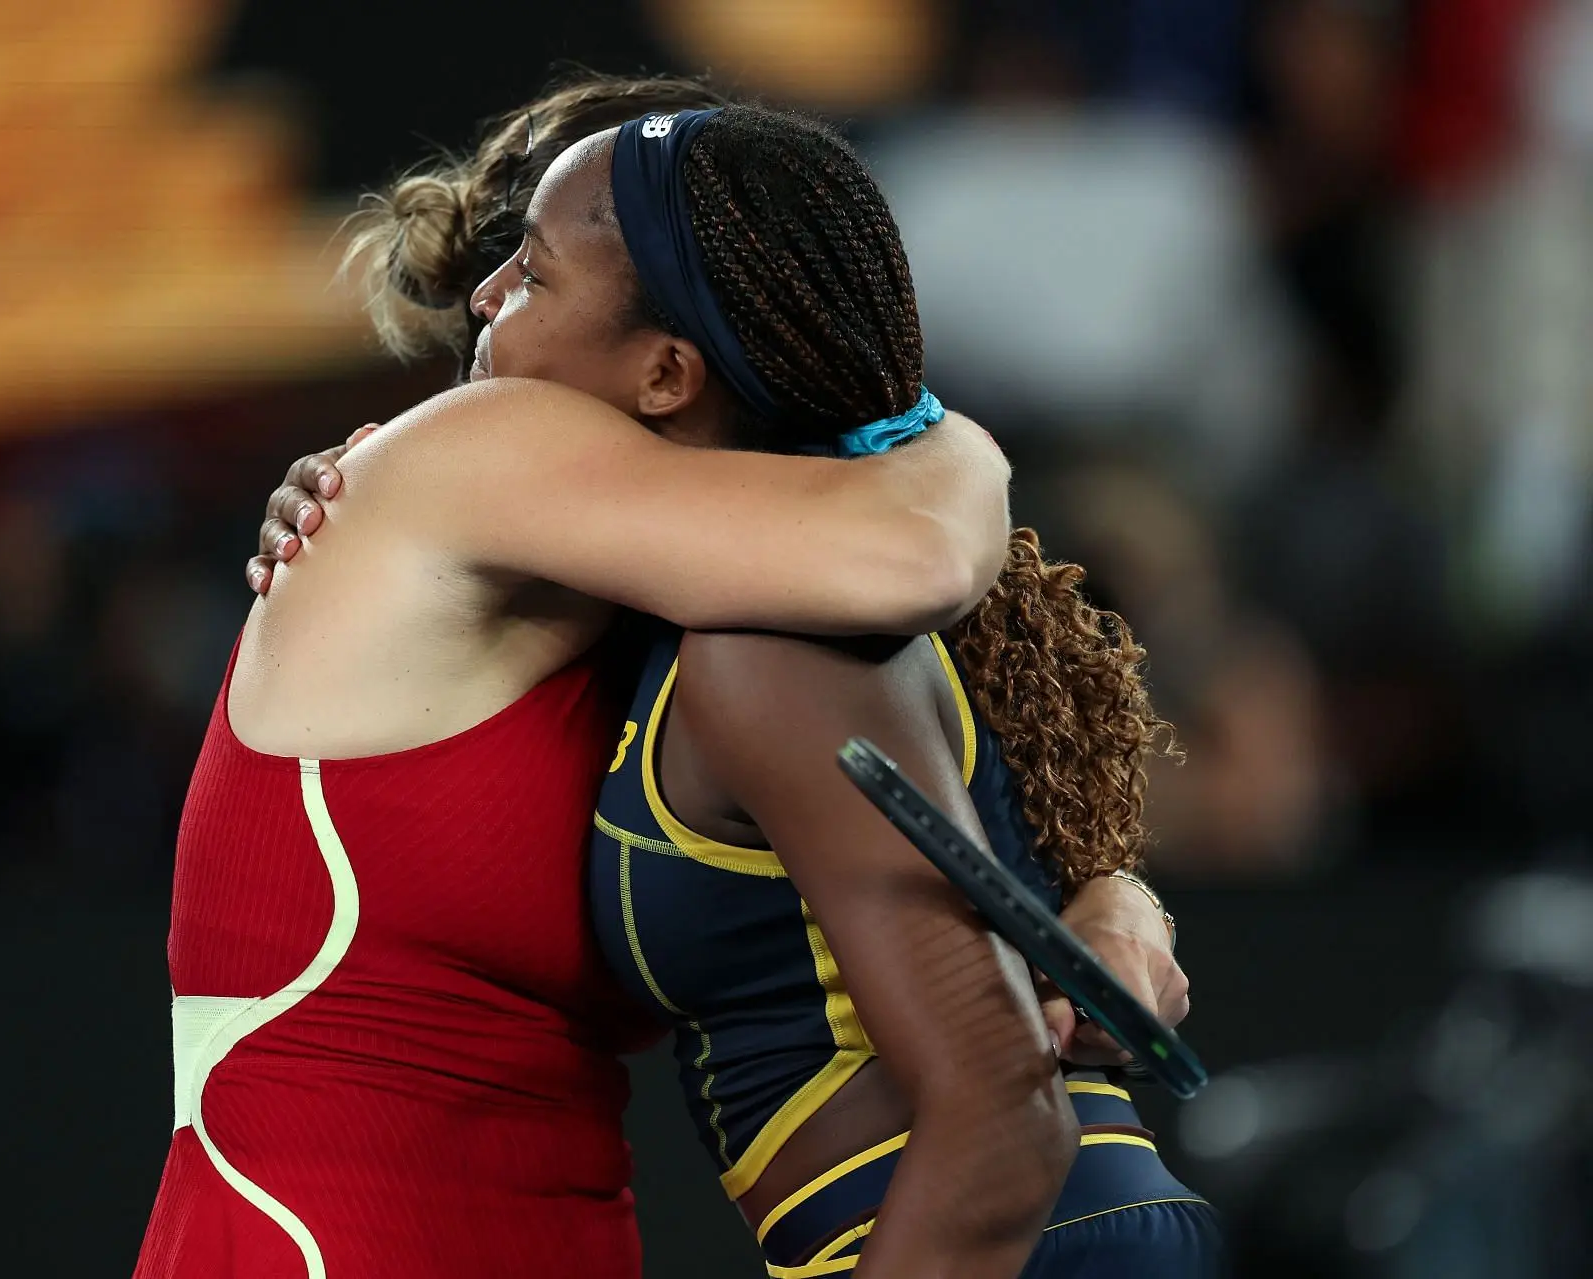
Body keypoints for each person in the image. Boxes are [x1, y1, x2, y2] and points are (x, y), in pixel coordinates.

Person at [251, 90, 1216, 1276]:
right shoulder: (709, 606)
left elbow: (1001, 1111)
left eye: (535, 274)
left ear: (666, 372)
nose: (487, 299)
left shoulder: (779, 634)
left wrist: (953, 446)